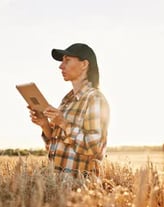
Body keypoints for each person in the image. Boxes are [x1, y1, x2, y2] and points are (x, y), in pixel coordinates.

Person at [29, 43, 110, 177]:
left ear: (84, 64)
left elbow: (93, 147)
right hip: (57, 185)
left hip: (79, 188)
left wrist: (64, 123)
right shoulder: (67, 100)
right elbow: (56, 147)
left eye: (67, 61)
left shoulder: (95, 99)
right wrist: (44, 125)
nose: (61, 66)